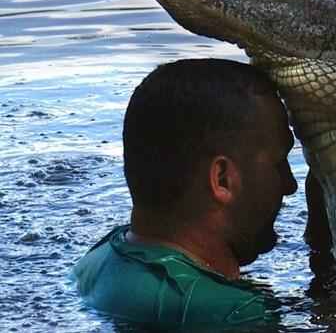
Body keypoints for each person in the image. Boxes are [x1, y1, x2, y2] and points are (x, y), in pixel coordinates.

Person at [73, 59, 297, 330]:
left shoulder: (100, 258)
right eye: (279, 162)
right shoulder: (234, 313)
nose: (290, 184)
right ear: (222, 179)